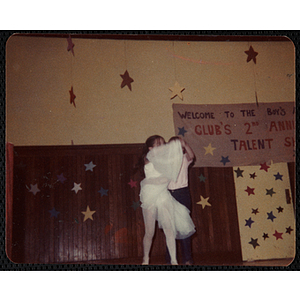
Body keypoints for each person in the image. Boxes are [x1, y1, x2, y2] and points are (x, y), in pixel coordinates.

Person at [139, 135, 195, 265]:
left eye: (163, 143)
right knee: (150, 232)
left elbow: (184, 158)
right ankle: (145, 259)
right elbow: (157, 158)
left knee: (170, 229)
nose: (162, 145)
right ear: (151, 147)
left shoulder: (166, 159)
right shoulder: (148, 157)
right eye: (159, 143)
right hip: (151, 195)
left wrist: (181, 145)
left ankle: (174, 261)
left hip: (164, 194)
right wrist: (172, 146)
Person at [166, 136, 195, 265]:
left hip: (182, 194)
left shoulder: (184, 159)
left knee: (184, 228)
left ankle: (187, 259)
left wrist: (185, 143)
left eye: (178, 146)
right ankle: (171, 260)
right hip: (168, 195)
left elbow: (192, 156)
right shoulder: (165, 162)